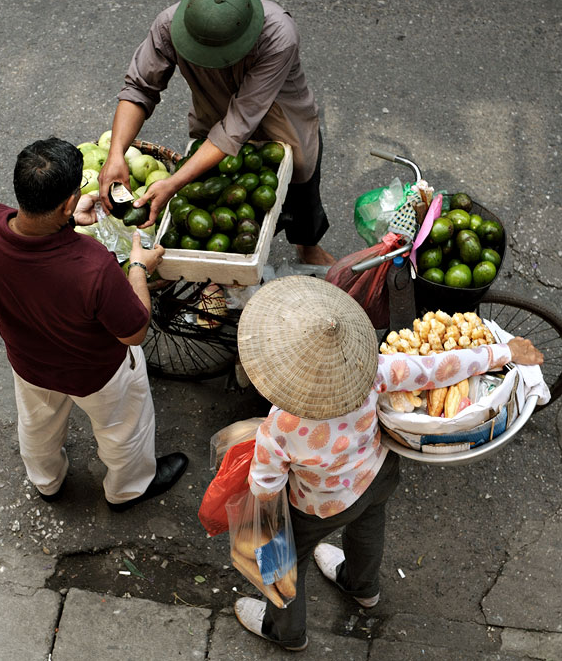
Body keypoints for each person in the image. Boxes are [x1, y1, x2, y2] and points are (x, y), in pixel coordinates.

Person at [231, 276, 544, 652]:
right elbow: (434, 368)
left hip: (319, 506)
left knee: (281, 556)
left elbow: (265, 490)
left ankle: (287, 631)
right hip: (377, 477)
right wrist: (503, 353)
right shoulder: (372, 369)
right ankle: (362, 588)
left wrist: (265, 529)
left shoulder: (278, 427)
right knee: (367, 525)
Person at [0, 137, 188, 512]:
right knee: (122, 429)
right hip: (97, 373)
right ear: (68, 202)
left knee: (37, 425)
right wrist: (137, 268)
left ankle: (46, 481)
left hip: (29, 363)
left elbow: (28, 252)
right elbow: (133, 332)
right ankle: (127, 489)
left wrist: (64, 219)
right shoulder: (92, 265)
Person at [99, 0, 334, 266]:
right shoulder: (169, 25)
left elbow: (237, 125)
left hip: (283, 120)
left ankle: (306, 245)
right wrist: (115, 154)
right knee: (218, 197)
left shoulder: (278, 35)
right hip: (214, 118)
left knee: (302, 188)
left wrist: (172, 183)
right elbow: (139, 89)